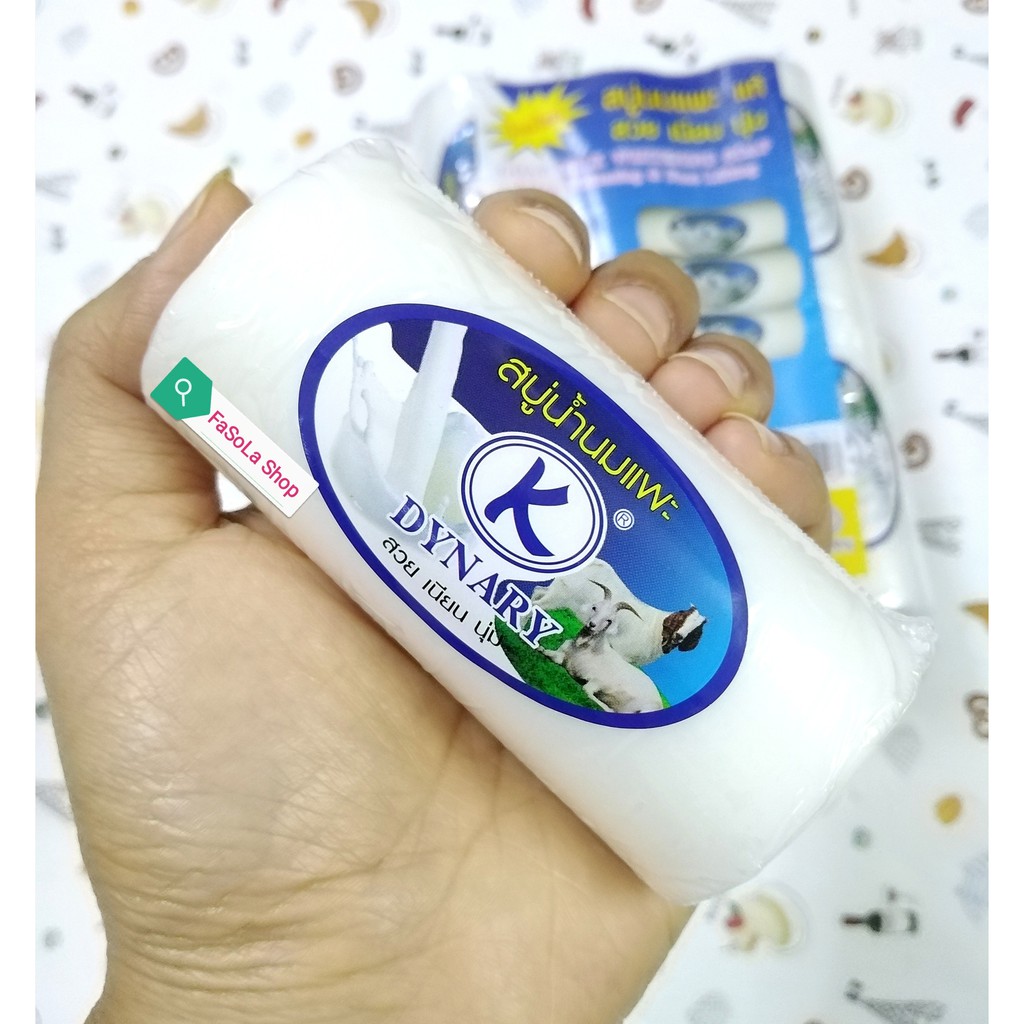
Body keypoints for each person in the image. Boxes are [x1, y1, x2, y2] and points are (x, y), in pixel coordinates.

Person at [37, 169, 830, 1024]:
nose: (614, 681)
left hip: (452, 509)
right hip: (432, 476)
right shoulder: (309, 414)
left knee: (419, 446)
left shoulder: (585, 645)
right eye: (631, 682)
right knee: (403, 442)